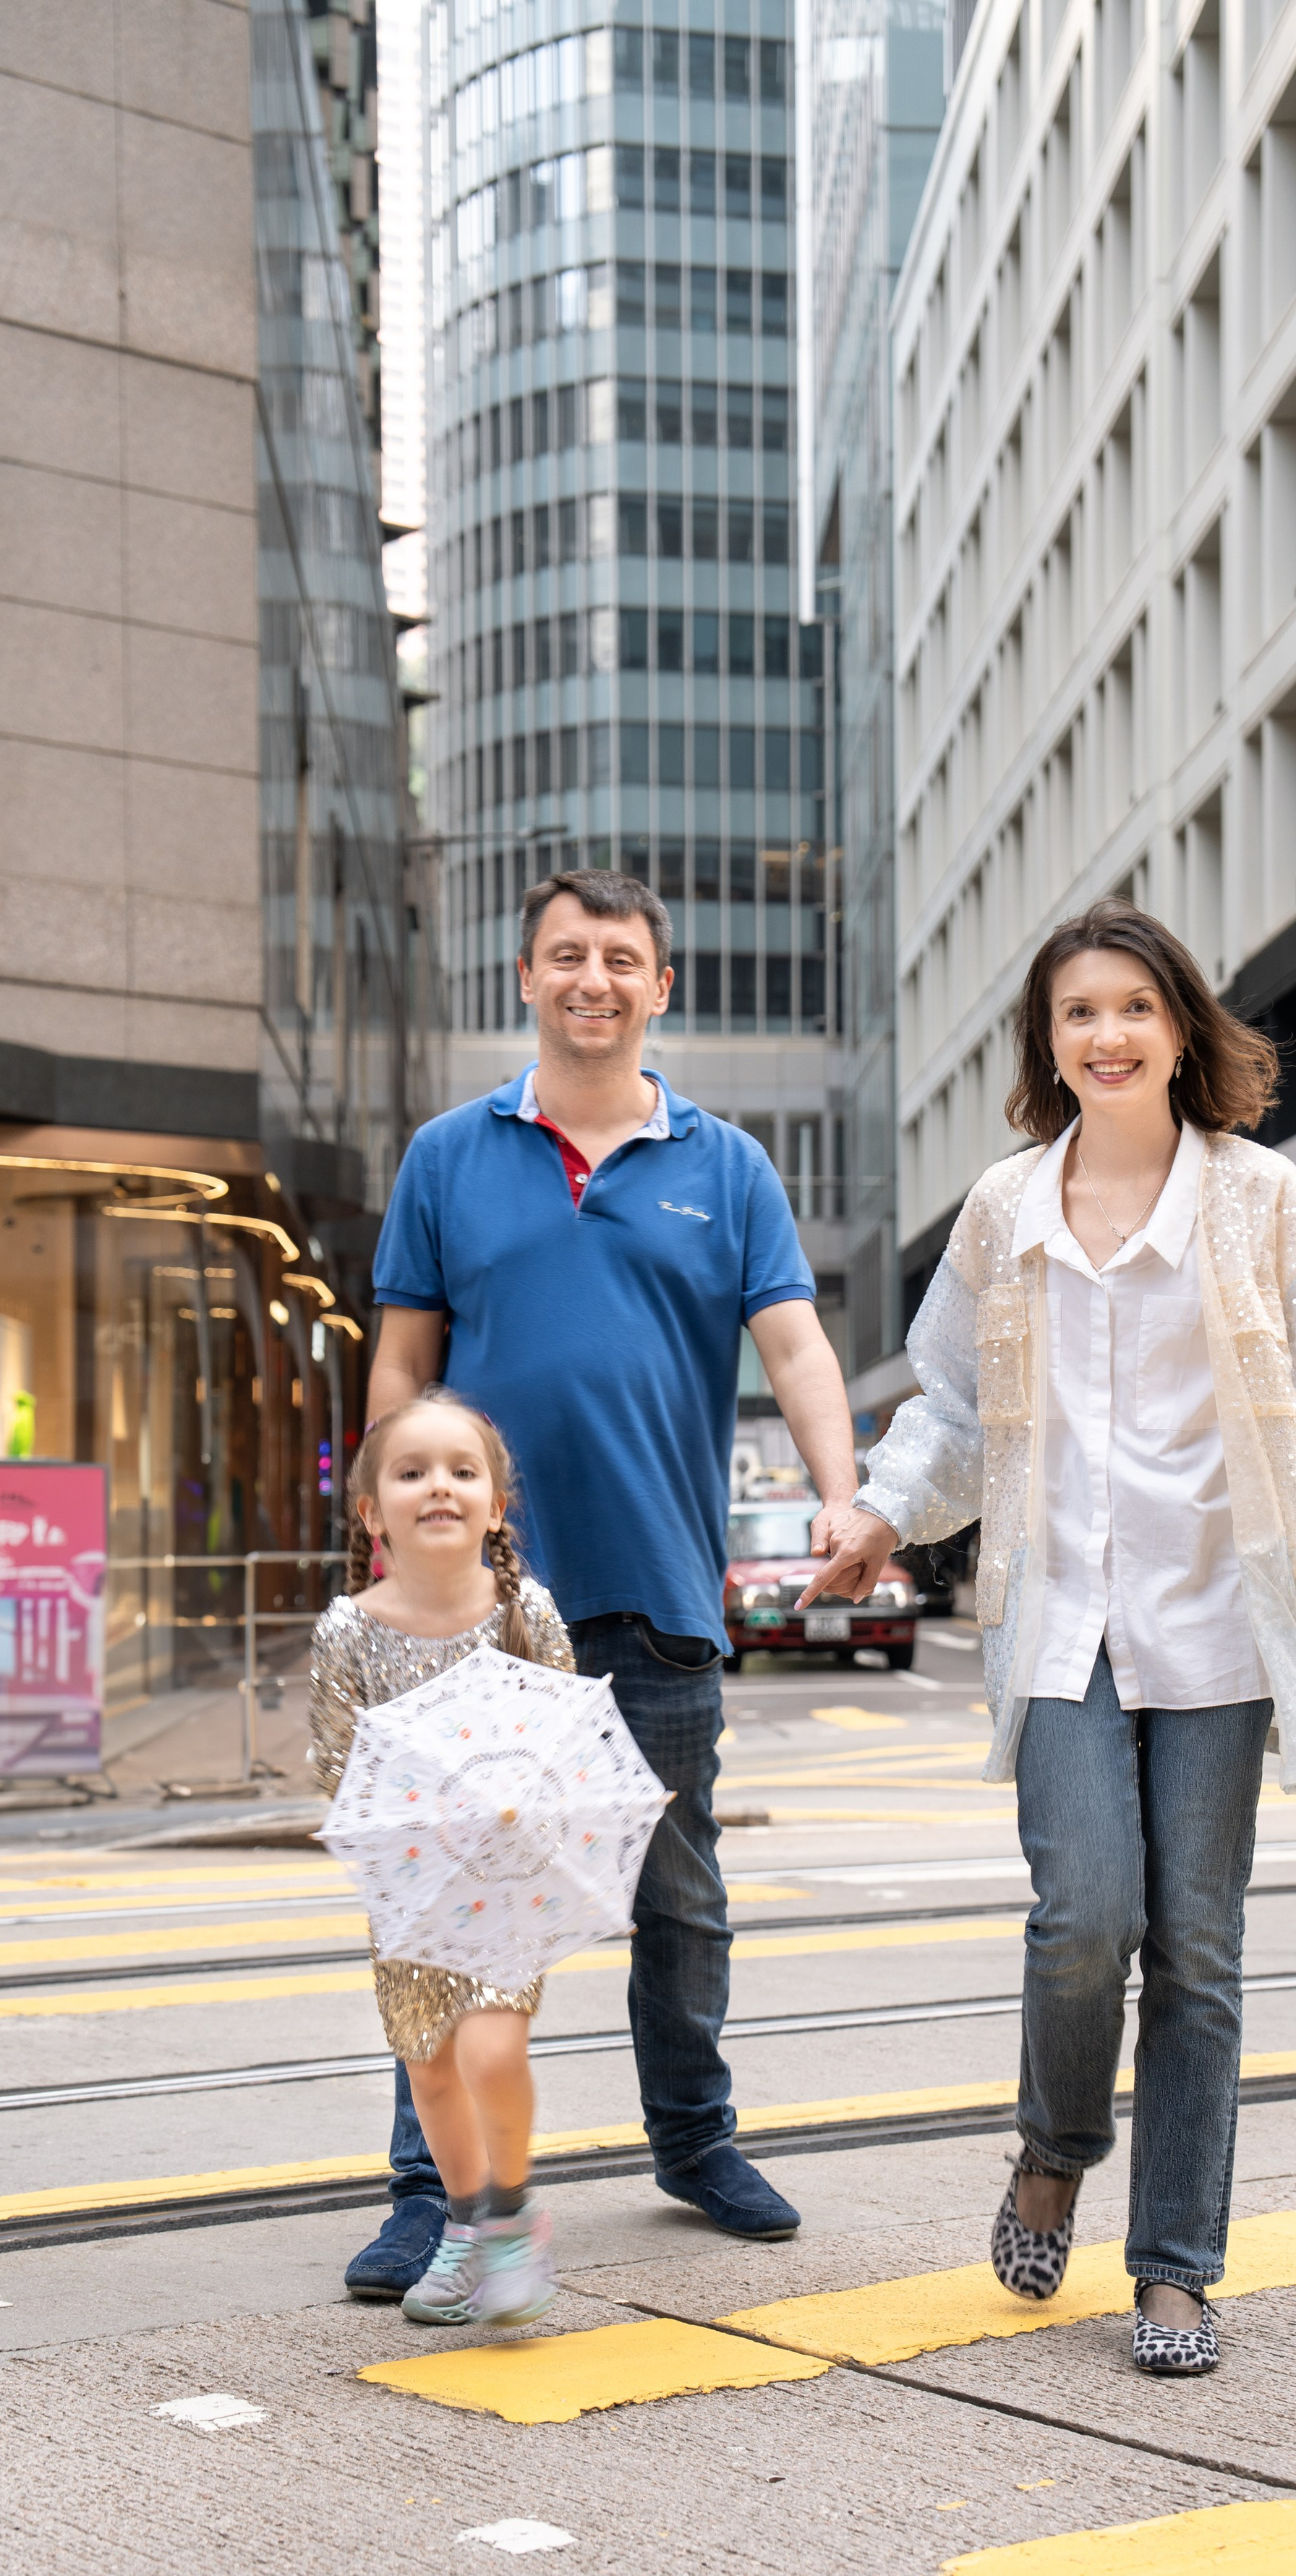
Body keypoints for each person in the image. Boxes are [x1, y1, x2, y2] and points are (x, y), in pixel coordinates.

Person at [807, 903, 1296, 2378]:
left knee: (1195, 1949)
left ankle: (1175, 2267)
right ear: (1048, 1044)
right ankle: (1053, 2149)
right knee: (1084, 1922)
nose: (1108, 1034)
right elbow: (947, 1405)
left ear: (1179, 1029)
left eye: (1134, 1006)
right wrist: (881, 1515)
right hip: (1060, 1623)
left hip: (1222, 1628)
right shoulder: (1005, 1211)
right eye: (1079, 1012)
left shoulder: (1262, 1200)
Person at [342, 870, 861, 2298]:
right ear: (526, 977)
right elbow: (402, 1359)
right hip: (475, 1604)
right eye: (566, 955)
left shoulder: (727, 1165)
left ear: (657, 987)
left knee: (677, 1901)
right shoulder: (451, 1154)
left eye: (619, 959)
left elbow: (799, 1349)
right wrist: (387, 1514)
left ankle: (693, 2144)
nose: (592, 979)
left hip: (654, 1587)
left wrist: (839, 1490)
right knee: (446, 1907)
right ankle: (427, 2192)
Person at [311, 1389, 571, 2327]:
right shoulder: (349, 1628)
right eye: (412, 1471)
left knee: (493, 2052)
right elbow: (335, 1755)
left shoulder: (523, 1612)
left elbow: (564, 1734)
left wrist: (520, 1800)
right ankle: (464, 2223)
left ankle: (510, 2216)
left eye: (463, 1471)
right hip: (409, 1890)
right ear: (372, 1509)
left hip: (504, 1888)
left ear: (497, 1503)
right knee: (429, 2070)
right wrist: (403, 1815)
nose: (440, 1487)